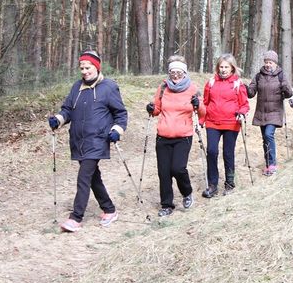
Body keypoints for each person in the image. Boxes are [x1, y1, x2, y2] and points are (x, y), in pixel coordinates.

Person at [48, 50, 127, 232]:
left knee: (84, 177)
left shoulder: (108, 87)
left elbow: (121, 113)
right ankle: (109, 209)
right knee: (93, 177)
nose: (84, 71)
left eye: (88, 67)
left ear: (96, 67)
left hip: (98, 139)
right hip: (78, 140)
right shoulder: (77, 87)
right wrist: (58, 119)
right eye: (82, 68)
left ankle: (76, 218)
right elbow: (67, 109)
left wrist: (117, 130)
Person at [146, 56, 206, 217]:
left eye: (179, 72)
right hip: (163, 136)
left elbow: (203, 112)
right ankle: (166, 204)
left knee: (178, 169)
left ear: (185, 73)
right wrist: (151, 108)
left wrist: (197, 104)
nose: (176, 75)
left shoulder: (192, 88)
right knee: (163, 172)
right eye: (173, 72)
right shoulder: (163, 87)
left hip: (183, 136)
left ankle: (187, 193)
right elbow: (157, 109)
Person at [200, 54, 249, 197]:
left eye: (226, 67)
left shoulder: (238, 84)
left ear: (232, 68)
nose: (223, 70)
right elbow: (205, 103)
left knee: (228, 153)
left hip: (231, 123)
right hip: (212, 122)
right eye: (221, 67)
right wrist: (201, 120)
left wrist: (241, 113)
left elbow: (244, 104)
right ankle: (212, 185)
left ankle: (229, 183)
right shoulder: (210, 83)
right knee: (212, 152)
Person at [246, 50, 292, 176]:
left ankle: (272, 164)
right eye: (266, 62)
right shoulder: (258, 76)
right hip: (262, 112)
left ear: (275, 63)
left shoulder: (281, 75)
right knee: (264, 139)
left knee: (268, 135)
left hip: (275, 112)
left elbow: (289, 94)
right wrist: (244, 88)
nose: (268, 64)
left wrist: (285, 86)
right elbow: (251, 93)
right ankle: (268, 164)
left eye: (270, 62)